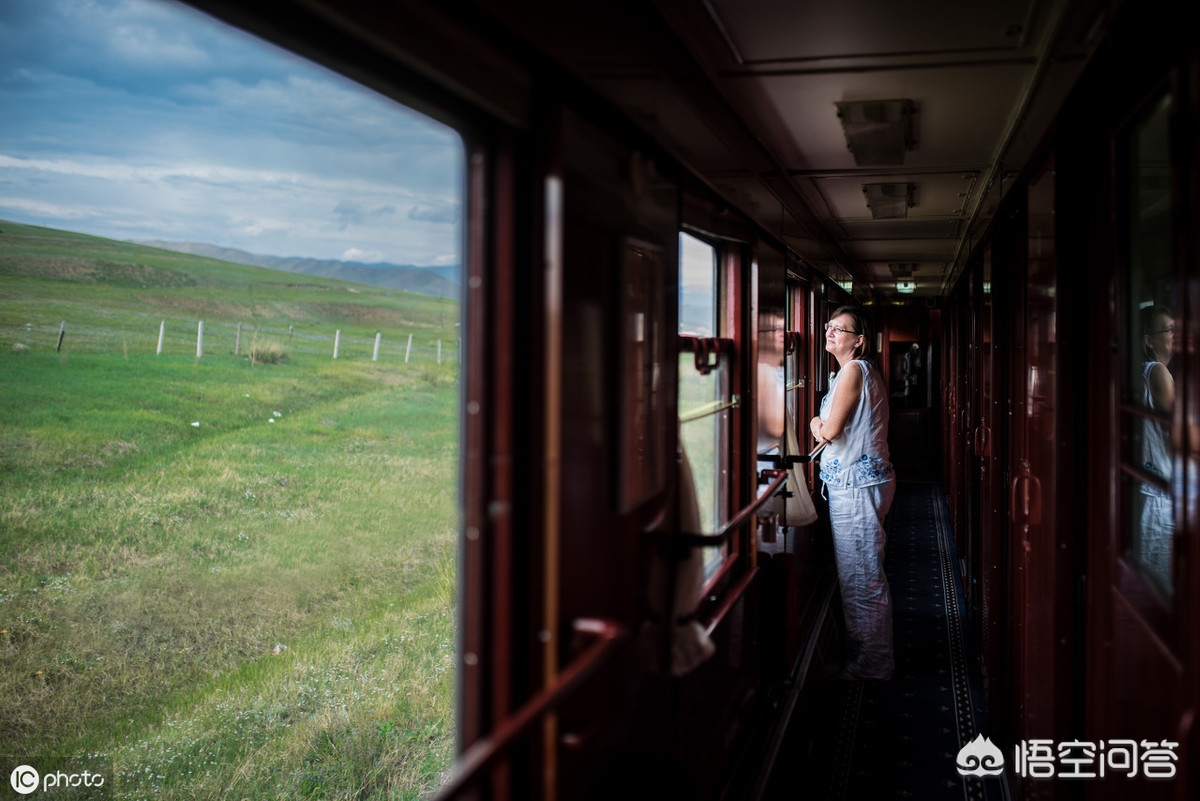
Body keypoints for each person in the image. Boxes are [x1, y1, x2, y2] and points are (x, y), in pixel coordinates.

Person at [809, 305, 896, 679]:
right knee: (859, 573)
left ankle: (873, 664)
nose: (829, 333)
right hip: (859, 484)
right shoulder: (854, 371)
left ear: (858, 340)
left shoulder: (852, 371)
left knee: (861, 578)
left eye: (839, 329)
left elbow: (829, 431)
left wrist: (814, 422)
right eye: (828, 326)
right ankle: (869, 657)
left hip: (857, 488)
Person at [1137, 304, 1175, 593]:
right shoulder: (1158, 371)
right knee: (1158, 589)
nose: (1175, 335)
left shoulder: (1142, 371)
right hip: (1156, 497)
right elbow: (1181, 431)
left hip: (1146, 489)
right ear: (1150, 340)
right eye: (1169, 330)